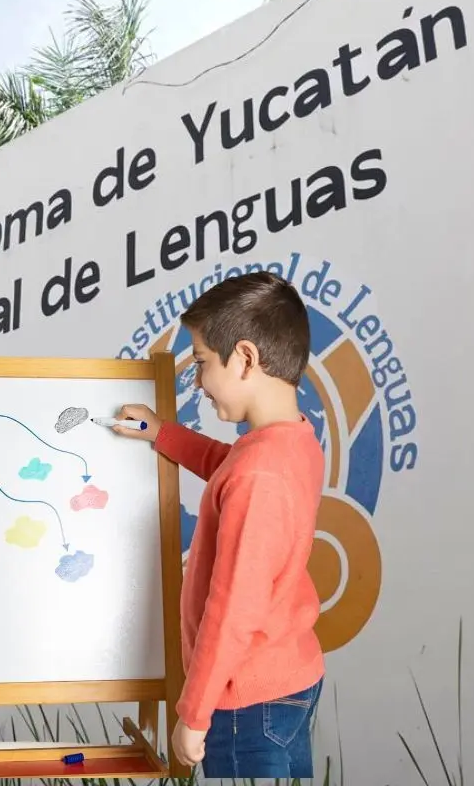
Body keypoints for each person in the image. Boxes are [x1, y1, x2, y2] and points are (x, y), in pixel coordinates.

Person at [113, 271, 326, 778]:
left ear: (246, 358)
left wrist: (194, 711)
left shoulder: (259, 475)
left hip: (244, 700)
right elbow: (226, 465)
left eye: (203, 363)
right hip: (286, 679)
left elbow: (232, 609)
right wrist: (161, 432)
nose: (197, 382)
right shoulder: (289, 442)